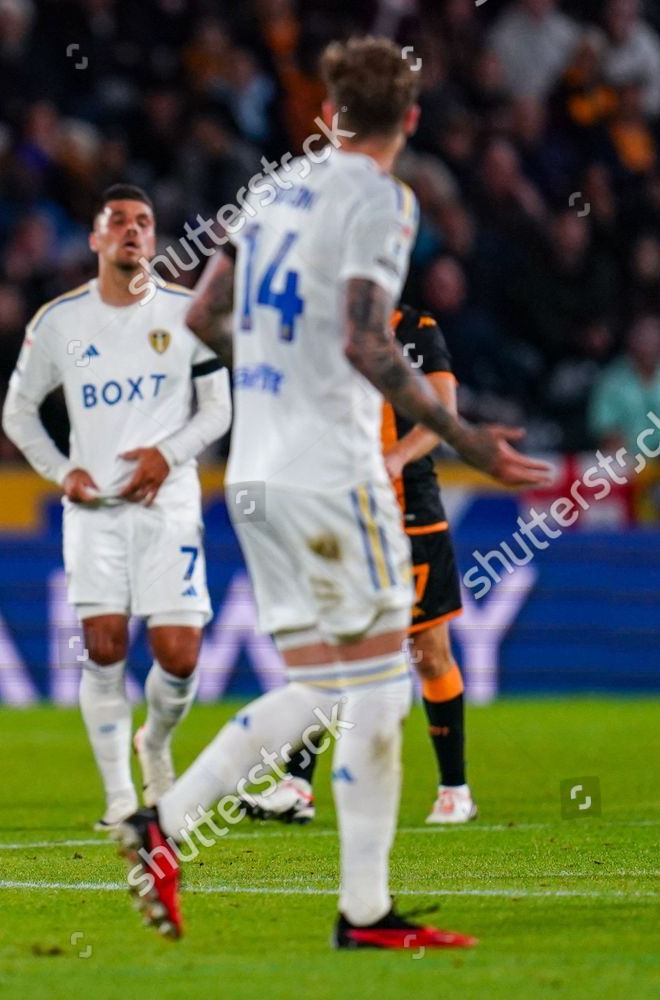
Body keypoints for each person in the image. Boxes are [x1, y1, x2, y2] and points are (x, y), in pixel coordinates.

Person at [115, 36, 550, 949]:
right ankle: (361, 912)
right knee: (383, 685)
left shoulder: (272, 190)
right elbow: (367, 341)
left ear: (326, 112)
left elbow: (201, 316)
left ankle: (166, 824)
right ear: (413, 121)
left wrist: (276, 366)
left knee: (328, 683)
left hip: (256, 472)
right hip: (330, 472)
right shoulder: (381, 198)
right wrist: (470, 441)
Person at [2, 184, 231, 829]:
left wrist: (167, 454)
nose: (133, 231)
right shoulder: (59, 323)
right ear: (97, 239)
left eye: (144, 223)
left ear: (154, 240)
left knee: (180, 654)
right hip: (96, 510)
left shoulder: (192, 315)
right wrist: (60, 470)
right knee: (103, 647)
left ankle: (154, 741)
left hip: (168, 506)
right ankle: (120, 799)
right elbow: (18, 412)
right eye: (119, 222)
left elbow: (219, 410)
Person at [242, 306, 479, 824]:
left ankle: (455, 789)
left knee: (428, 649)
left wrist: (394, 459)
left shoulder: (415, 329)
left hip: (408, 509)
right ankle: (295, 786)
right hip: (335, 509)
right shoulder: (316, 328)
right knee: (326, 646)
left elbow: (444, 411)